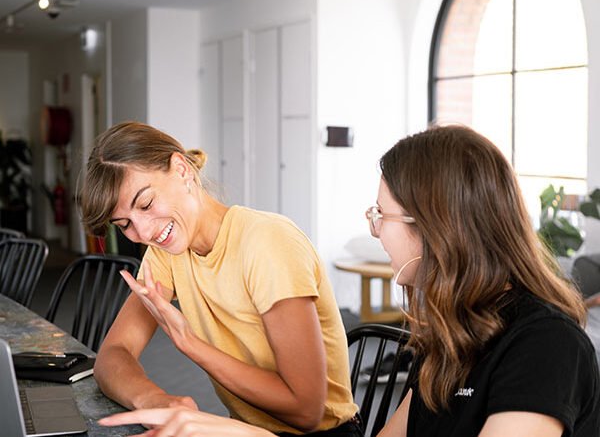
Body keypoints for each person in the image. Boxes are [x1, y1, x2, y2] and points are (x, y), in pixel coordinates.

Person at [100, 124, 600, 436]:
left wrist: (235, 428)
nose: (375, 230)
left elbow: (305, 408)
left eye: (381, 215)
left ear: (437, 227)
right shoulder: (452, 333)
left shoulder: (545, 345)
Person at [80, 121, 361, 436]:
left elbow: (306, 411)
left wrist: (191, 344)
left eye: (146, 204)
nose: (143, 232)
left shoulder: (267, 242)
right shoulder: (167, 252)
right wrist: (155, 400)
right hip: (245, 430)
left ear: (182, 170)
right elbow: (113, 354)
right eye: (125, 224)